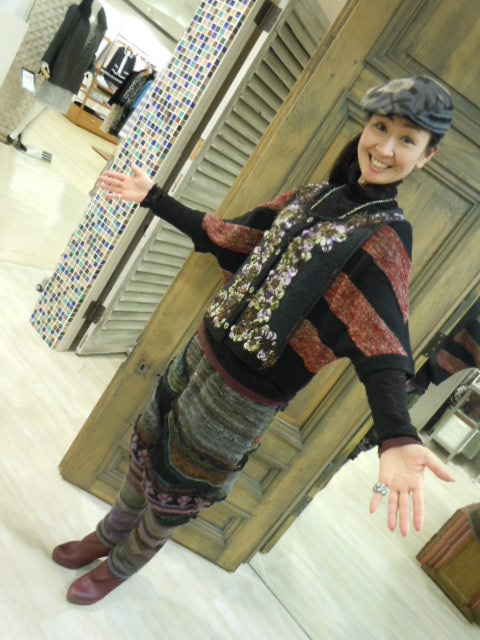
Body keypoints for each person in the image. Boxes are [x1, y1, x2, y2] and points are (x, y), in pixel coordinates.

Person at [52, 76, 455, 605]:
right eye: (380, 127)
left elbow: (382, 343)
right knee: (147, 445)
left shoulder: (385, 235)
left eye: (407, 139)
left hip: (244, 398)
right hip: (201, 351)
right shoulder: (315, 196)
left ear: (426, 156)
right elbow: (233, 237)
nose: (384, 147)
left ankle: (120, 567)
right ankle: (106, 536)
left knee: (180, 489)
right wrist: (154, 199)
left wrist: (397, 435)